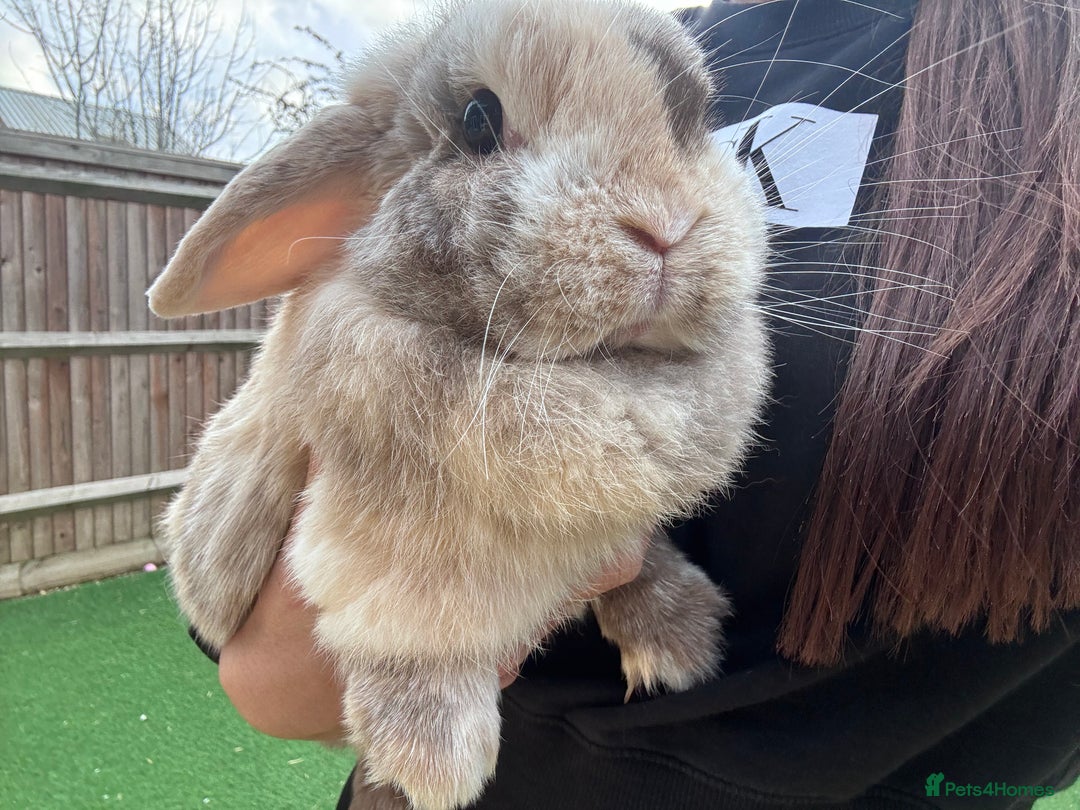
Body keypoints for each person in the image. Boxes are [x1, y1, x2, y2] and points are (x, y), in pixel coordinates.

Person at [211, 0, 1080, 808]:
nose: (661, 218)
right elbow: (268, 672)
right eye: (483, 124)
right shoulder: (670, 28)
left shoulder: (1040, 68)